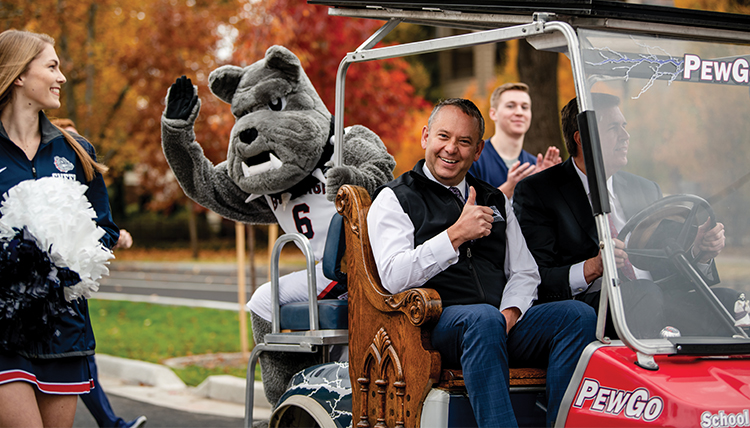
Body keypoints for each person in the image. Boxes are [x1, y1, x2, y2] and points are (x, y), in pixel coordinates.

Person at [367, 97, 596, 427]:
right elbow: (392, 277)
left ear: (478, 151)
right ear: (425, 137)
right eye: (443, 137)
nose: (451, 149)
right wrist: (455, 236)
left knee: (576, 316)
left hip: (498, 323)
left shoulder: (493, 197)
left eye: (464, 142)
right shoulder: (395, 198)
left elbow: (525, 272)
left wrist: (511, 313)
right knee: (481, 319)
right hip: (433, 328)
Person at [513, 94, 730, 338]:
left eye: (624, 127)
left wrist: (698, 252)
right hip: (595, 309)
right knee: (645, 294)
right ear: (582, 138)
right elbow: (536, 278)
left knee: (731, 302)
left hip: (656, 298)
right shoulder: (539, 191)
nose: (625, 136)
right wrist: (592, 267)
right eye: (614, 128)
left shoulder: (646, 189)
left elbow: (664, 266)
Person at [0, 29, 119, 427]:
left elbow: (104, 227)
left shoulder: (76, 150)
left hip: (64, 331)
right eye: (52, 66)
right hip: (3, 330)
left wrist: (71, 254)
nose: (62, 77)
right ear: (19, 75)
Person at [49, 118, 145, 428]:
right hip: (27, 306)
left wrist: (112, 236)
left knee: (81, 359)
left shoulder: (83, 176)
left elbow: (99, 223)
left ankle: (111, 423)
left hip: (70, 297)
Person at [468, 82, 561, 199]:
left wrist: (546, 186)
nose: (519, 112)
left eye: (525, 107)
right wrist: (509, 188)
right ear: (493, 113)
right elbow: (468, 209)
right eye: (510, 106)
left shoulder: (534, 166)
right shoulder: (474, 158)